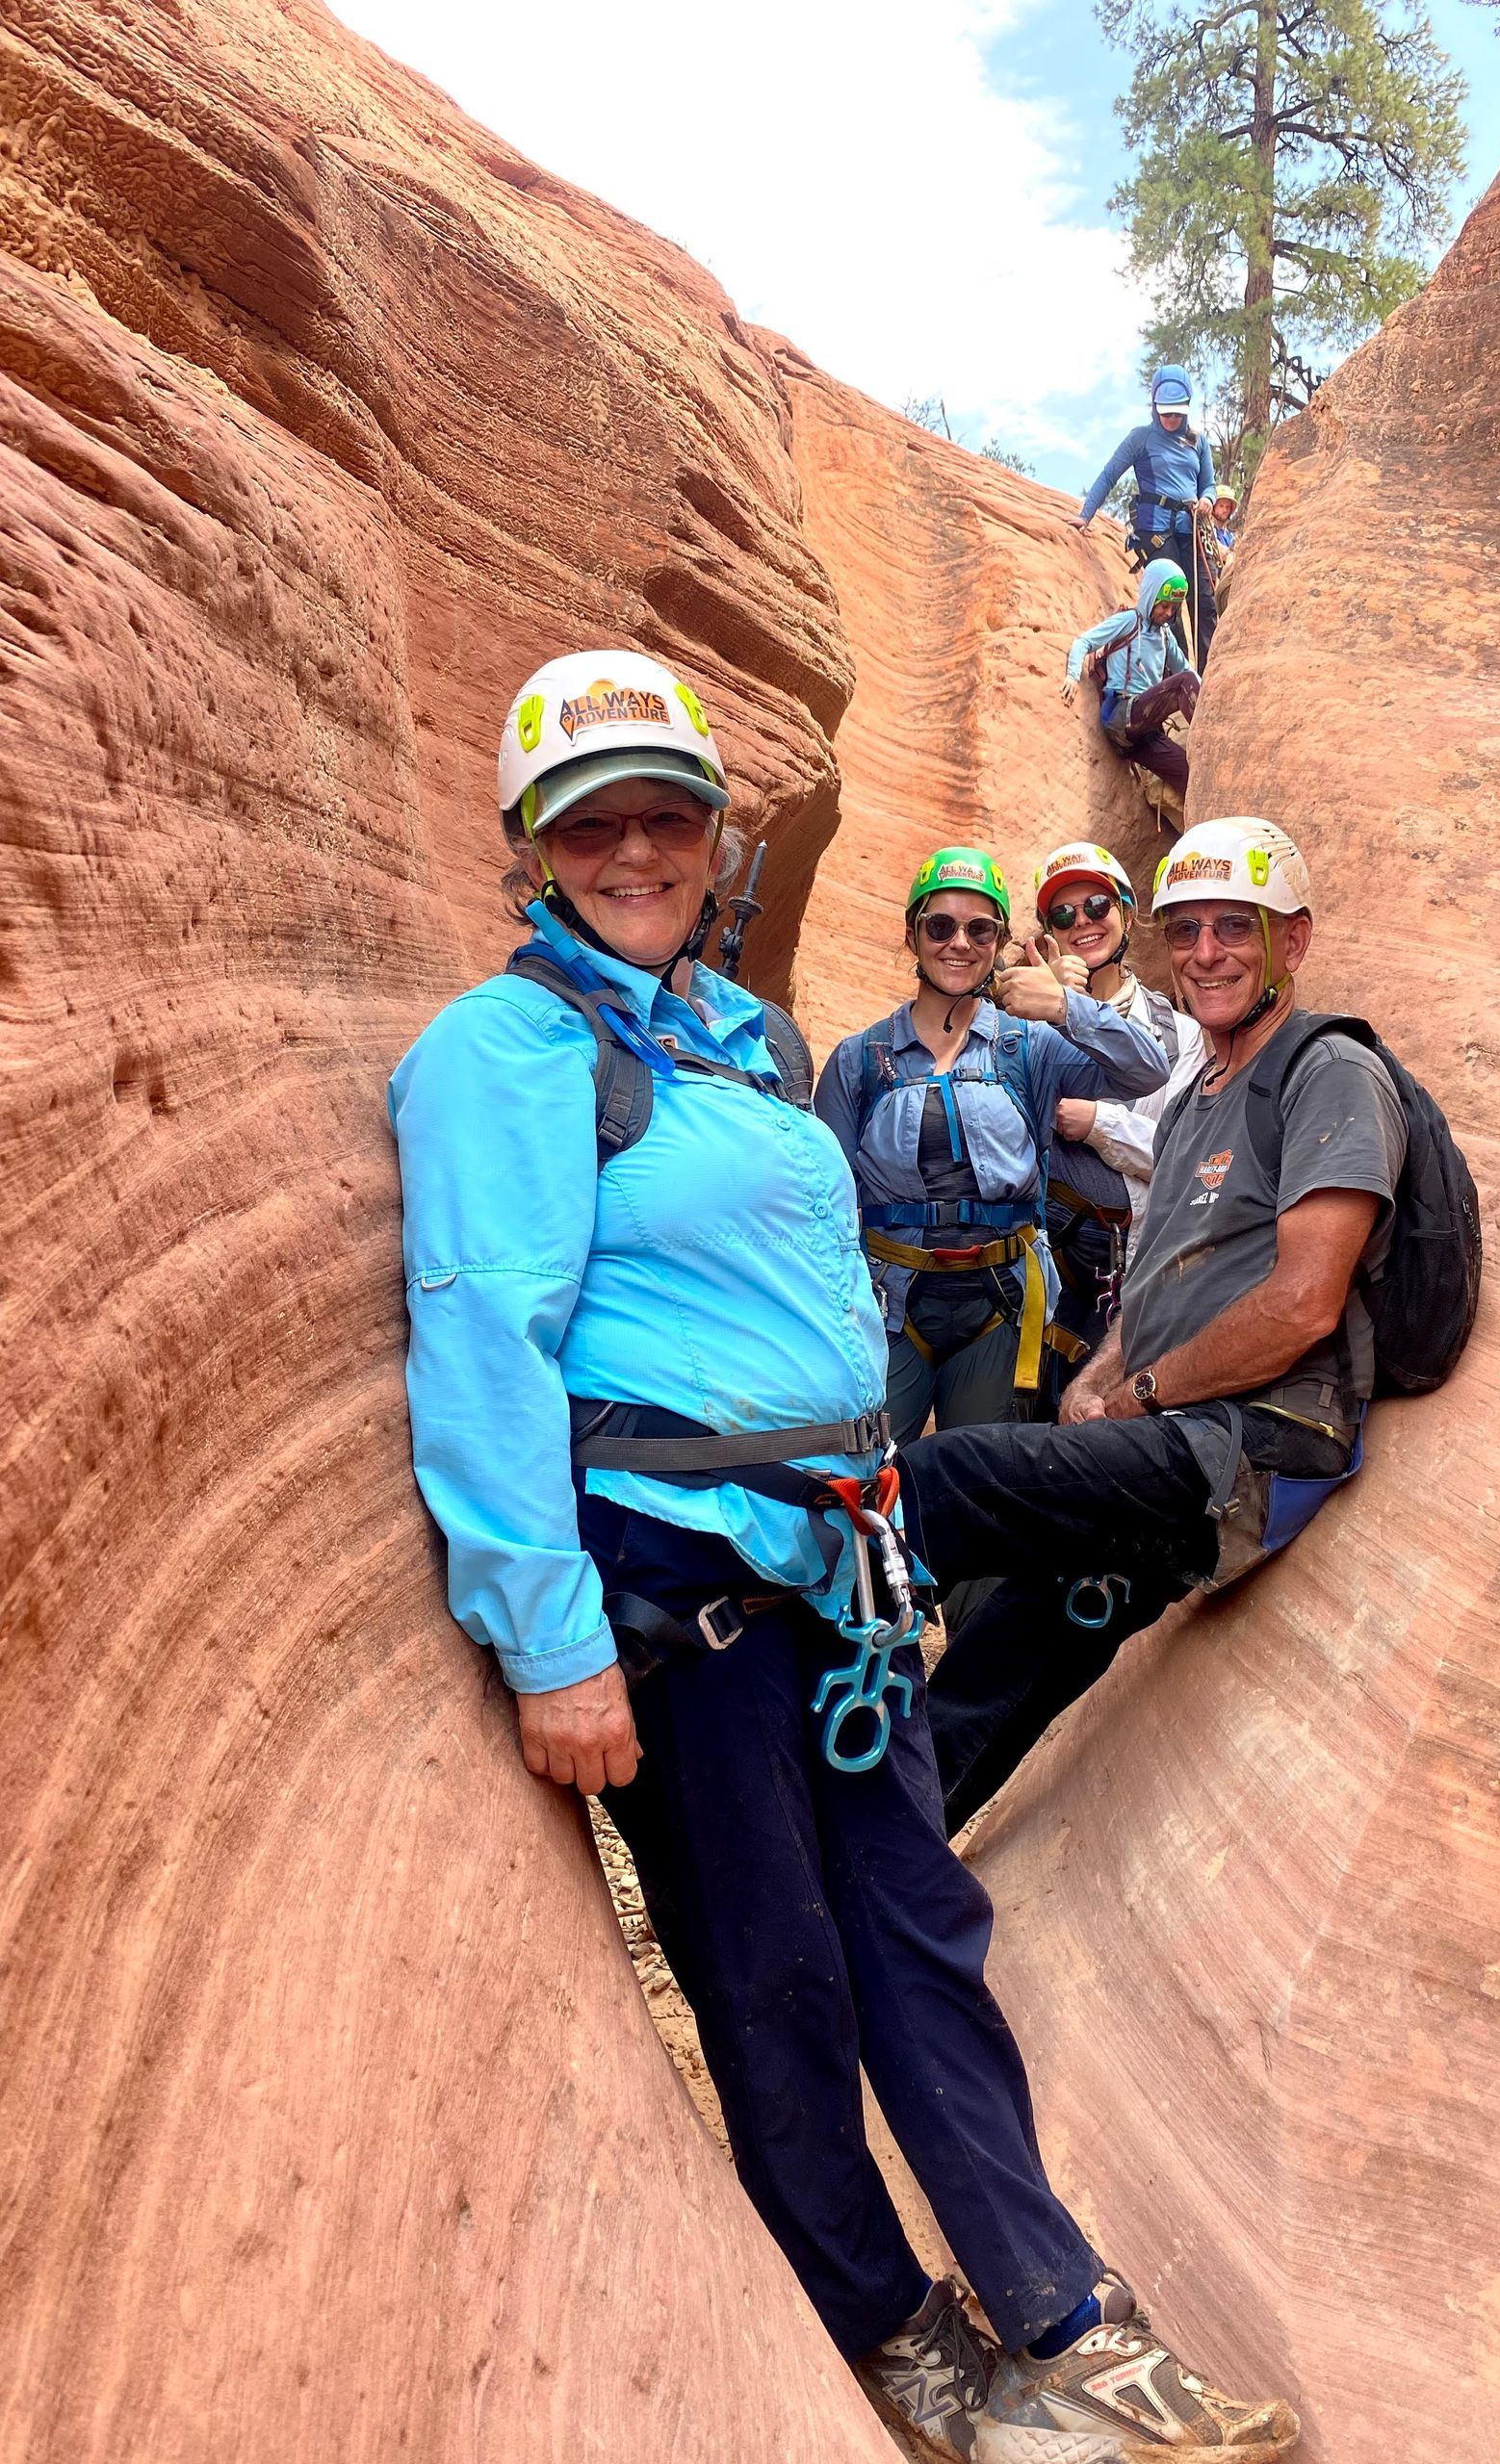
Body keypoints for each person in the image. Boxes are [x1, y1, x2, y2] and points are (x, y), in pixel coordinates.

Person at [387, 660, 1302, 2464]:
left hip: (832, 1559)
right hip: (672, 1577)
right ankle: (898, 2338)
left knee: (916, 1924)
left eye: (668, 811)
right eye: (596, 819)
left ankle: (1065, 2317)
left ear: (717, 834)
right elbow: (482, 1336)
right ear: (532, 848)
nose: (638, 846)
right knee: (774, 1963)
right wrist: (548, 1639)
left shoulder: (730, 1036)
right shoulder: (506, 1052)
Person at [904, 817, 1408, 1835]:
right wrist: (1099, 1378)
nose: (1206, 954)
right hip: (1168, 1444)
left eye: (1235, 928)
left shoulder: (1328, 1070)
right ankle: (881, 1861)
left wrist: (1135, 1398)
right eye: (1188, 932)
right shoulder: (1193, 1100)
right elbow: (1162, 1276)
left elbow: (1303, 1300)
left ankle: (725, 1634)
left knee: (939, 1479)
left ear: (1292, 942)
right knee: (1003, 1651)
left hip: (1251, 1444)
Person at [815, 848, 1169, 1444]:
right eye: (940, 926)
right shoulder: (860, 1059)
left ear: (999, 939)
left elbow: (1148, 1070)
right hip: (889, 1307)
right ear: (912, 936)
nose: (959, 943)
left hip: (1000, 1304)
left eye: (980, 929)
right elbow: (823, 1201)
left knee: (975, 1475)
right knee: (863, 1466)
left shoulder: (1030, 1046)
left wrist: (1064, 1006)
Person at [1031, 838, 1205, 1399]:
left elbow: (1189, 1157)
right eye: (1063, 914)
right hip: (1035, 1265)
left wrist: (1100, 1122)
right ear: (1048, 933)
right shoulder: (1019, 1025)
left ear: (1126, 916)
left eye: (1097, 907)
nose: (1081, 922)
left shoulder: (1180, 1034)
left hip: (1126, 1269)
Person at [1071, 364, 1218, 664]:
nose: (1172, 418)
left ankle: (1210, 674)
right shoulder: (1141, 439)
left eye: (1177, 412)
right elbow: (1109, 474)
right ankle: (1178, 679)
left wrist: (1207, 499)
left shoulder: (1198, 441)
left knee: (1204, 601)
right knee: (1170, 603)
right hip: (1156, 532)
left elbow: (1209, 485)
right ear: (1154, 406)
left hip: (1191, 529)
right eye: (1166, 412)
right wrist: (1086, 515)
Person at [1063, 559, 1199, 808]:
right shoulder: (1129, 621)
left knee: (1195, 778)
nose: (1169, 613)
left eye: (1174, 608)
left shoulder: (1165, 635)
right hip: (1121, 716)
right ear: (1149, 597)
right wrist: (1072, 675)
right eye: (1164, 606)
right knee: (1183, 683)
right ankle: (1208, 739)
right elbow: (1083, 642)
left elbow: (1187, 669)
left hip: (1143, 736)